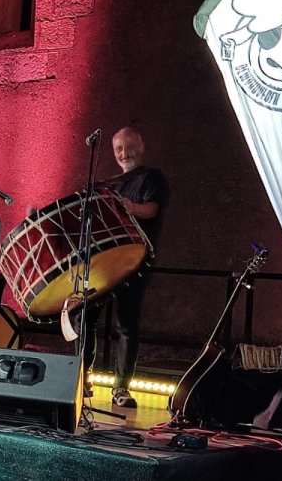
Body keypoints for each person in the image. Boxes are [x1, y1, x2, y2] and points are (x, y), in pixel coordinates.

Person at [84, 126, 169, 409]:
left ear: (141, 146)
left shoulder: (152, 177)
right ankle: (82, 378)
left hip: (134, 261)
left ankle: (121, 388)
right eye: (119, 149)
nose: (124, 153)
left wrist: (129, 207)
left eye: (129, 147)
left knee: (126, 325)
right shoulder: (103, 185)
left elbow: (152, 210)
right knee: (84, 317)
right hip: (101, 263)